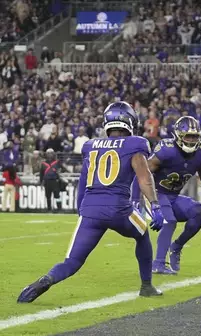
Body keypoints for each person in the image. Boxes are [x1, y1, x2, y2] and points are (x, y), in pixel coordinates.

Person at [17, 101, 165, 303]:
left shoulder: (90, 145)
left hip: (90, 209)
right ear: (130, 122)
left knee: (72, 262)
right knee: (143, 234)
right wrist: (155, 205)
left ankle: (45, 280)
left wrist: (82, 211)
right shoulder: (136, 143)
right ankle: (146, 286)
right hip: (119, 209)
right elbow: (144, 177)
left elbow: (83, 182)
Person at [131, 116, 201, 275]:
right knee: (169, 221)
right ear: (178, 135)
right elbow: (142, 174)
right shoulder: (166, 150)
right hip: (154, 194)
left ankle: (176, 247)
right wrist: (135, 201)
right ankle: (158, 264)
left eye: (195, 136)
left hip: (172, 196)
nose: (192, 140)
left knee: (200, 213)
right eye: (188, 136)